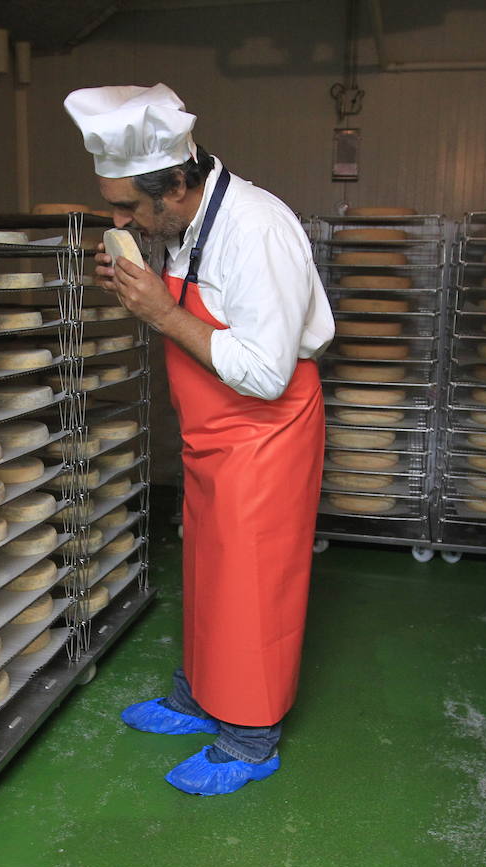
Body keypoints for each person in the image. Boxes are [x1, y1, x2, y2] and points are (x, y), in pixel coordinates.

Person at [64, 84, 334, 795]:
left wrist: (157, 309)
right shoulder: (186, 225)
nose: (119, 218)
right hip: (214, 432)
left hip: (265, 431)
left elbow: (267, 371)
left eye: (128, 207)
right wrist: (141, 287)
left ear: (177, 183)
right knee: (210, 570)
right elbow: (205, 319)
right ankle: (198, 696)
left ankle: (250, 736)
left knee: (255, 584)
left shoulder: (257, 229)